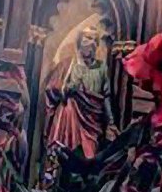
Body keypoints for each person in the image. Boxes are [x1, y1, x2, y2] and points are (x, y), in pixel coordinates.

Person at [42, 22, 112, 158]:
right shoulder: (68, 64)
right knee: (63, 155)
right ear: (80, 43)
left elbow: (106, 96)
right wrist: (67, 88)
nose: (90, 43)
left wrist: (111, 123)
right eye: (86, 38)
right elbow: (51, 88)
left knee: (89, 155)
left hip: (92, 120)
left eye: (93, 40)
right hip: (69, 116)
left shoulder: (101, 68)